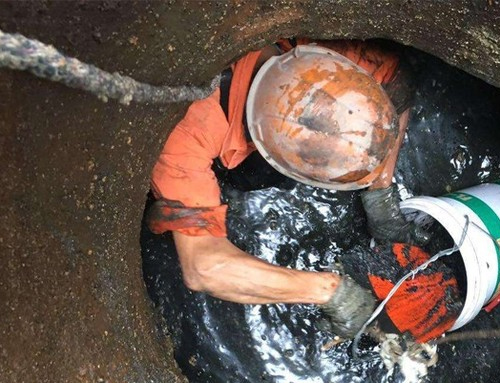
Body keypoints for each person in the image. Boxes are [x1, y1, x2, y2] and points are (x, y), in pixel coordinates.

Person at [147, 39, 424, 338]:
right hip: (214, 141)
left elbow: (400, 83)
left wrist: (381, 198)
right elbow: (203, 266)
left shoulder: (338, 59)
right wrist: (331, 292)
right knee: (249, 179)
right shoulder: (186, 135)